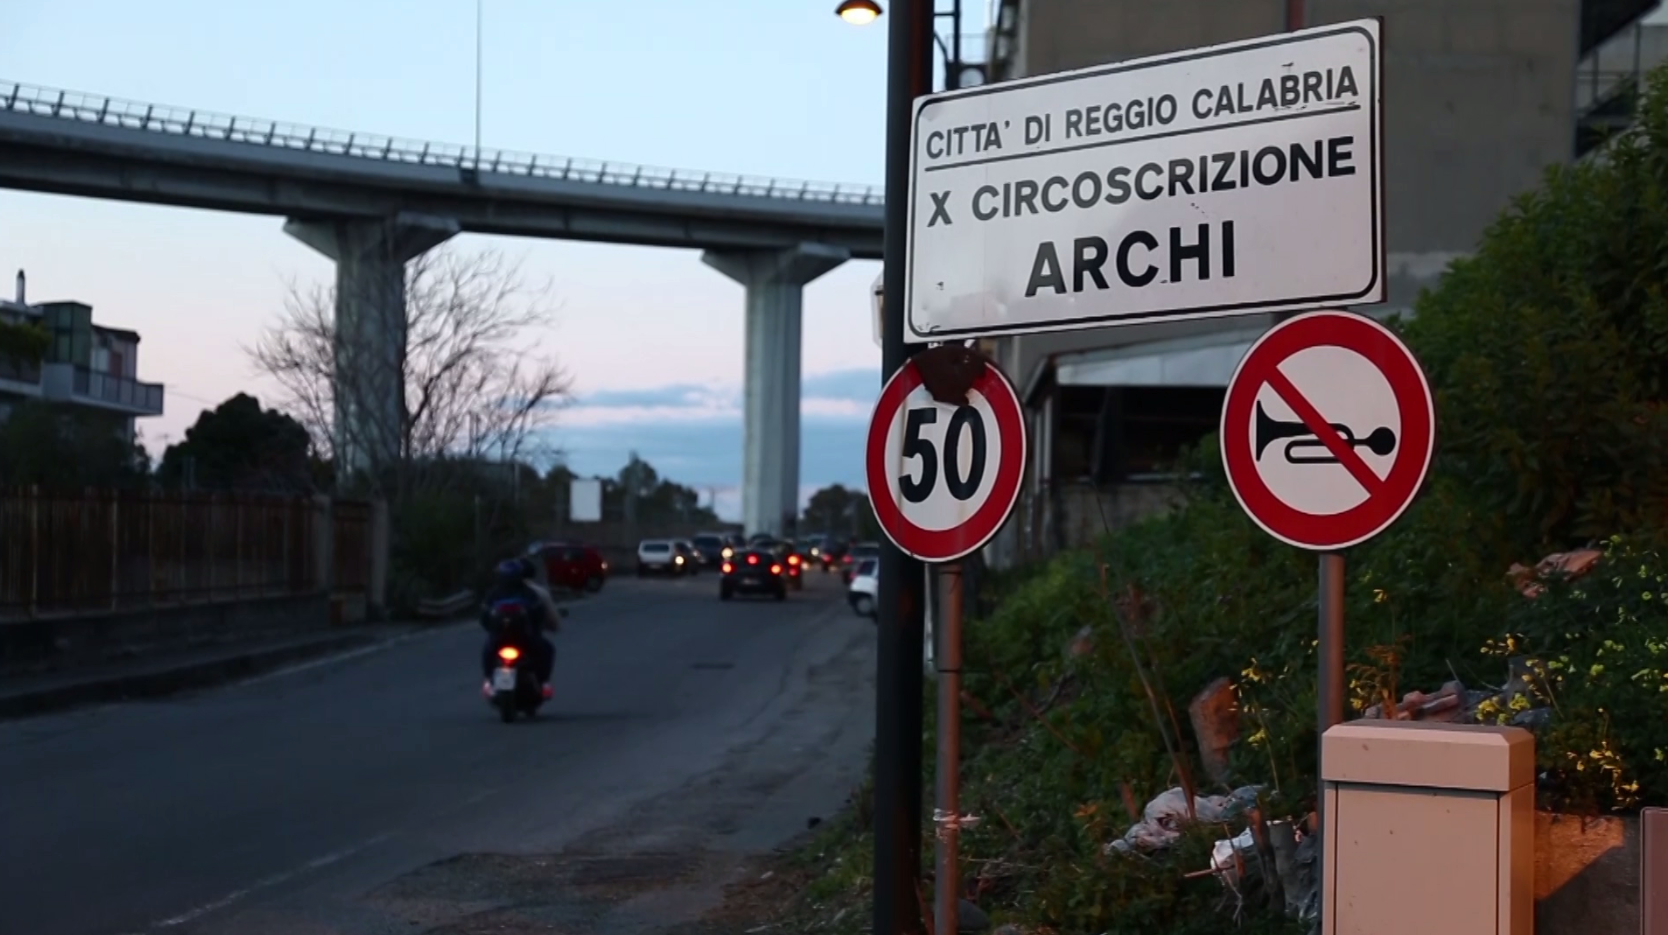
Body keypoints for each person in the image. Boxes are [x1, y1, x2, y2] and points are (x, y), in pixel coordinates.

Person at [479, 558, 556, 684]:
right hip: (524, 638)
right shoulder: (528, 593)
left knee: (487, 652)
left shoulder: (493, 594)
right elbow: (539, 615)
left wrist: (492, 629)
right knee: (547, 650)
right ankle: (544, 682)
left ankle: (488, 680)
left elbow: (483, 617)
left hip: (501, 638)